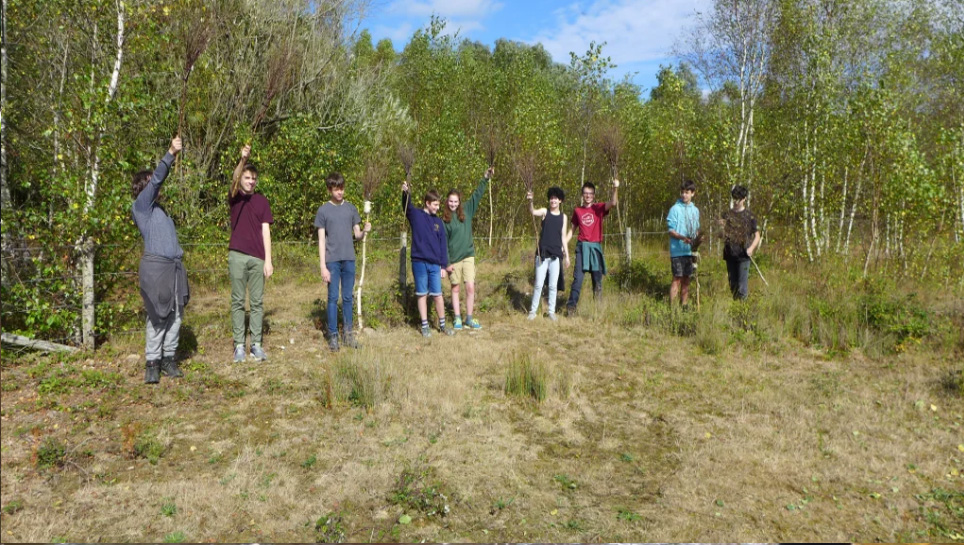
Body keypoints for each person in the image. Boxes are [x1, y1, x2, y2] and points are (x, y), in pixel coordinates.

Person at [132, 136, 189, 384]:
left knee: (176, 314)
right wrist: (170, 154)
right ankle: (152, 363)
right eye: (150, 183)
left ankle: (168, 359)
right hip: (155, 269)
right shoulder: (141, 206)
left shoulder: (161, 212)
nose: (156, 187)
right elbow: (156, 181)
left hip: (173, 268)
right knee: (158, 316)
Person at [314, 172, 371, 352]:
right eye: (336, 189)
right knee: (332, 298)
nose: (340, 192)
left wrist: (364, 231)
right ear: (330, 189)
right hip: (332, 261)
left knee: (348, 298)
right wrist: (323, 266)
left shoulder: (351, 209)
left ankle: (348, 334)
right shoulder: (323, 210)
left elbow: (357, 235)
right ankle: (333, 336)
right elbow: (321, 240)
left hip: (349, 259)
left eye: (342, 189)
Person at [228, 144, 274, 362]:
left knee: (257, 303)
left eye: (253, 178)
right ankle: (239, 345)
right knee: (238, 301)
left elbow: (266, 231)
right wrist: (242, 160)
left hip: (257, 258)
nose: (250, 181)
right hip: (237, 255)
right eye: (248, 177)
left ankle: (256, 344)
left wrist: (268, 261)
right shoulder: (236, 196)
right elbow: (235, 178)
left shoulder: (262, 201)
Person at [442, 167, 493, 330]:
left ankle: (469, 318)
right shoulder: (445, 220)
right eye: (450, 201)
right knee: (455, 288)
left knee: (470, 287)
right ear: (447, 202)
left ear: (459, 202)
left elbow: (478, 194)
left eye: (456, 201)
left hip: (468, 256)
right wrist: (446, 263)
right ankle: (457, 318)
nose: (453, 204)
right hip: (454, 259)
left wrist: (485, 178)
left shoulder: (467, 210)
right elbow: (443, 244)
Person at [402, 181, 454, 337]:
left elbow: (442, 245)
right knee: (422, 293)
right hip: (419, 262)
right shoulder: (416, 215)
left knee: (437, 294)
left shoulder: (438, 222)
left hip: (435, 265)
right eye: (435, 205)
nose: (438, 208)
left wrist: (443, 266)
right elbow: (406, 205)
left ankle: (443, 325)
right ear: (427, 203)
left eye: (439, 205)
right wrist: (405, 193)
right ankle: (425, 325)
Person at [565, 179, 618, 316]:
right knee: (578, 280)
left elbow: (613, 203)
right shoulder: (577, 211)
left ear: (593, 195)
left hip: (595, 248)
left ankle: (597, 311)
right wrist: (563, 244)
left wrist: (615, 188)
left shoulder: (598, 208)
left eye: (590, 193)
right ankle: (571, 309)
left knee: (597, 280)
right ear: (582, 195)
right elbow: (572, 230)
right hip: (582, 248)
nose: (588, 195)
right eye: (585, 193)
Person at [526, 186, 571, 320]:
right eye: (551, 198)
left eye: (555, 198)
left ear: (560, 200)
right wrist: (531, 201)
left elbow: (563, 237)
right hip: (542, 254)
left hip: (556, 256)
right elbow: (533, 211)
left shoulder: (564, 217)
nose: (553, 200)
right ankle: (532, 312)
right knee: (539, 284)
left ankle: (551, 312)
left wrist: (567, 256)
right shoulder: (545, 212)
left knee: (553, 286)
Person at [718, 184, 761, 300]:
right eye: (734, 198)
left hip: (744, 255)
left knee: (742, 287)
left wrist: (751, 249)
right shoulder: (727, 215)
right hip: (730, 254)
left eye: (739, 199)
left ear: (744, 199)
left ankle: (742, 315)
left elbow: (757, 236)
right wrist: (722, 227)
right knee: (733, 286)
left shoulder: (749, 216)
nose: (736, 201)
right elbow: (721, 236)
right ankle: (736, 309)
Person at [667, 179, 701, 307]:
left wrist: (698, 239)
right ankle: (672, 308)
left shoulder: (695, 210)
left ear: (693, 193)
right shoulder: (674, 209)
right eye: (682, 192)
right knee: (677, 279)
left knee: (687, 279)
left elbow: (696, 230)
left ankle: (684, 306)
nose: (684, 195)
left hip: (690, 251)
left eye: (687, 192)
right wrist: (682, 238)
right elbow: (671, 231)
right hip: (677, 250)